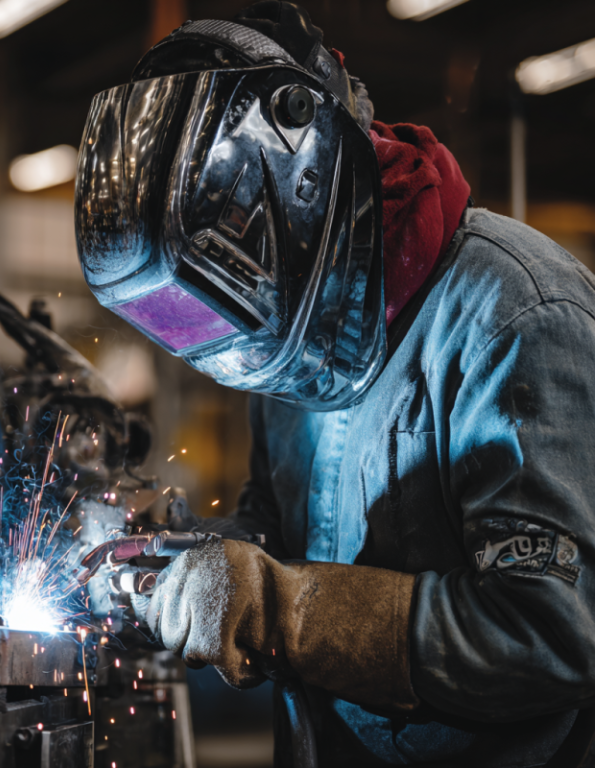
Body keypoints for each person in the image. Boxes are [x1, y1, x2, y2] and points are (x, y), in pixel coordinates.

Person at [74, 3, 595, 765]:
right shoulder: (292, 327)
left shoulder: (515, 319)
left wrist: (277, 607)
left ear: (303, 181)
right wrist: (173, 559)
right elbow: (277, 540)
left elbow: (556, 632)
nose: (235, 360)